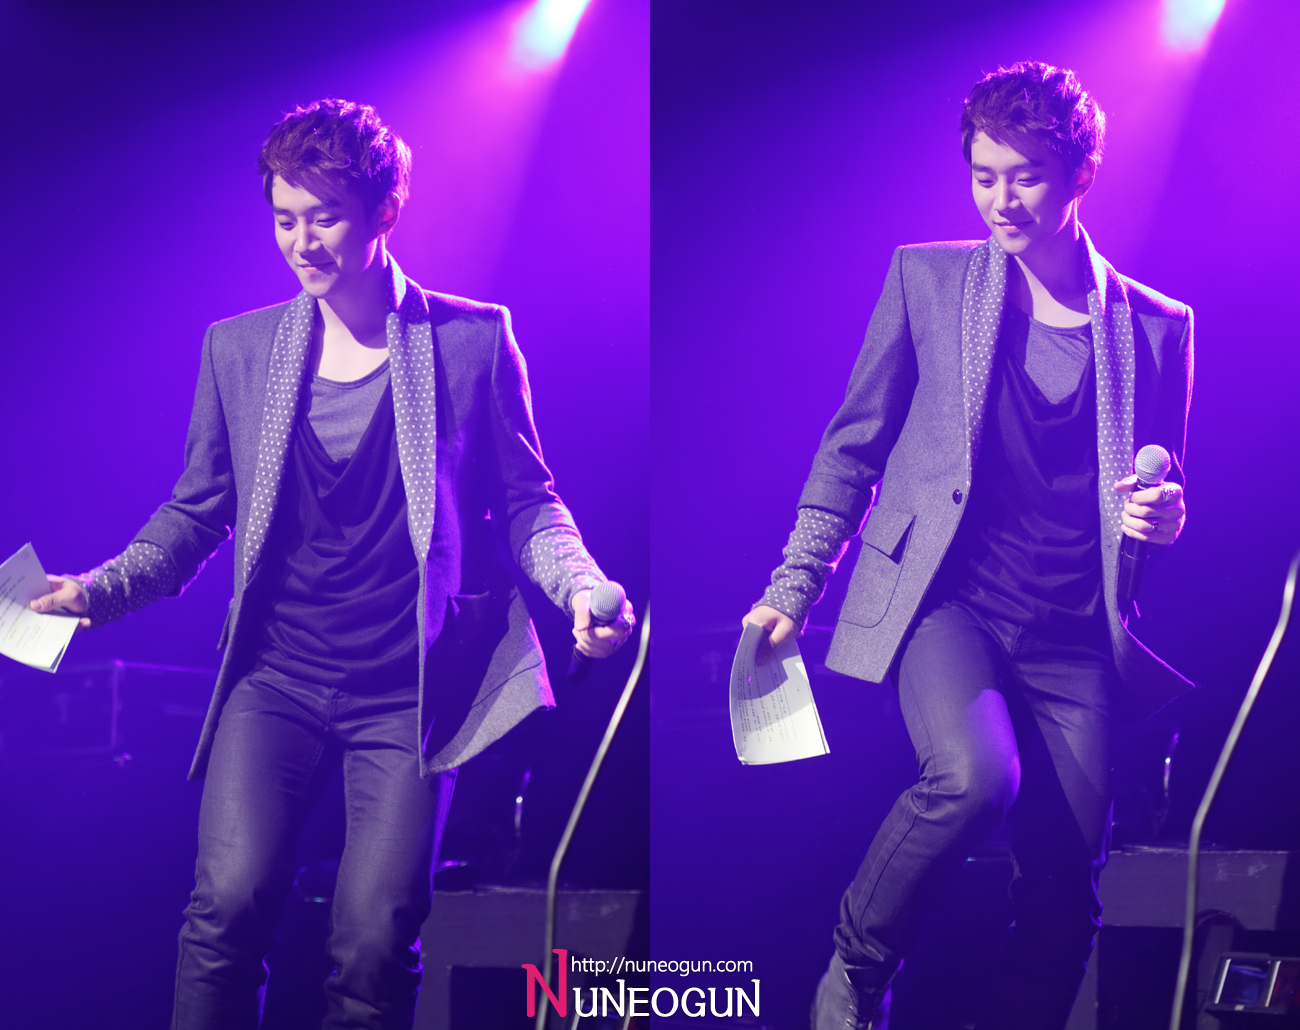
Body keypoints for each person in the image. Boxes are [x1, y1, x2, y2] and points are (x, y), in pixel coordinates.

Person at [29, 98, 635, 1030]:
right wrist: (94, 591)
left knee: (376, 938)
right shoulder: (239, 349)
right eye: (284, 219)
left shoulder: (470, 340)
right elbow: (196, 511)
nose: (301, 243)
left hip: (408, 690)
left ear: (385, 211)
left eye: (325, 218)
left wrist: (581, 586)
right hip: (277, 678)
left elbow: (527, 501)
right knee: (226, 908)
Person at [743, 62, 1192, 1030]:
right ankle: (853, 976)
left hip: (1075, 630)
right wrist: (794, 585)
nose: (1001, 199)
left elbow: (1152, 496)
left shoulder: (1158, 328)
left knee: (1064, 898)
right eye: (984, 175)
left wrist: (1161, 522)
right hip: (949, 606)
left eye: (1025, 176)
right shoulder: (929, 279)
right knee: (975, 777)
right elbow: (852, 447)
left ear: (1081, 175)